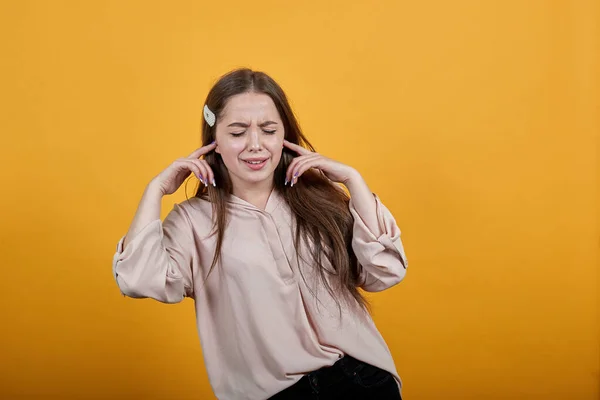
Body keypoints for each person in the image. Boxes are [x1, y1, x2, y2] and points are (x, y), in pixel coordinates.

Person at [112, 68, 408, 400]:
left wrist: (354, 181)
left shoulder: (319, 199)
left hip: (361, 380)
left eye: (268, 130)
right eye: (237, 132)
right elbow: (138, 280)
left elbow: (385, 272)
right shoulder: (192, 221)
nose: (255, 145)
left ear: (284, 136)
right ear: (215, 142)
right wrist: (155, 191)